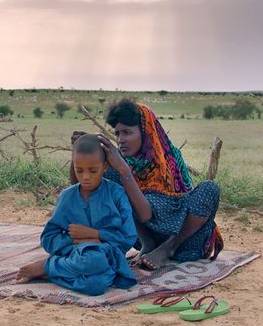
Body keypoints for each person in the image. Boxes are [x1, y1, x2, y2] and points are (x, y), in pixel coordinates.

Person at [72, 99, 223, 270]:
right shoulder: (121, 165)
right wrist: (78, 150)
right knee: (109, 176)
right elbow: (81, 191)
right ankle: (148, 244)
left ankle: (167, 249)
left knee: (210, 189)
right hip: (146, 235)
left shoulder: (169, 158)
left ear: (146, 132)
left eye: (127, 132)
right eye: (117, 133)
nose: (120, 139)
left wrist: (124, 169)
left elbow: (146, 215)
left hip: (186, 240)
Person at [16, 134, 137, 296]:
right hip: (76, 253)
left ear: (105, 167)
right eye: (79, 170)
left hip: (109, 255)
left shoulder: (117, 194)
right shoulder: (67, 197)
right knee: (94, 265)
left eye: (93, 170)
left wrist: (96, 235)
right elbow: (49, 238)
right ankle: (54, 267)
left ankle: (49, 268)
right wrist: (77, 240)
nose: (85, 177)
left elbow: (129, 237)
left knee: (96, 285)